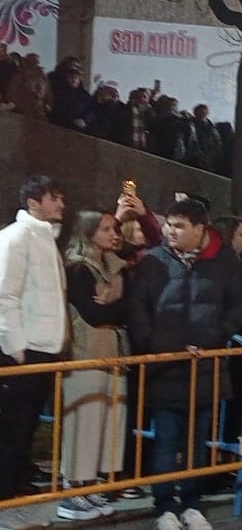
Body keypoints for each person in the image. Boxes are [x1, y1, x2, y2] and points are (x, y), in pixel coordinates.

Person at [126, 198, 242, 530]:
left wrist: (218, 336)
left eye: (180, 226)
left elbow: (240, 303)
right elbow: (137, 308)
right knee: (166, 440)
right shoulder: (153, 261)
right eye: (169, 224)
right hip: (165, 367)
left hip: (206, 367)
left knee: (198, 442)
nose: (170, 232)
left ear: (200, 229)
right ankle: (165, 506)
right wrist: (154, 344)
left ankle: (192, 504)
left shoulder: (224, 261)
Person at [0, 176, 69, 530]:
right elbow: (5, 296)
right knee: (12, 428)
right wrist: (16, 347)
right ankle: (7, 498)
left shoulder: (44, 239)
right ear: (33, 202)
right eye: (54, 198)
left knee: (25, 427)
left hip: (44, 349)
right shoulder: (16, 237)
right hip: (23, 352)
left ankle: (15, 491)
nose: (61, 204)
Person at [57, 211, 127, 522]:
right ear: (88, 233)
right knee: (83, 421)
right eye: (106, 229)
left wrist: (115, 305)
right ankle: (72, 488)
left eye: (116, 228)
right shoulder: (77, 268)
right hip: (85, 353)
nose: (115, 234)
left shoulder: (114, 268)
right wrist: (119, 307)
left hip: (113, 353)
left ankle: (90, 484)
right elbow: (93, 314)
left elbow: (123, 307)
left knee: (106, 421)